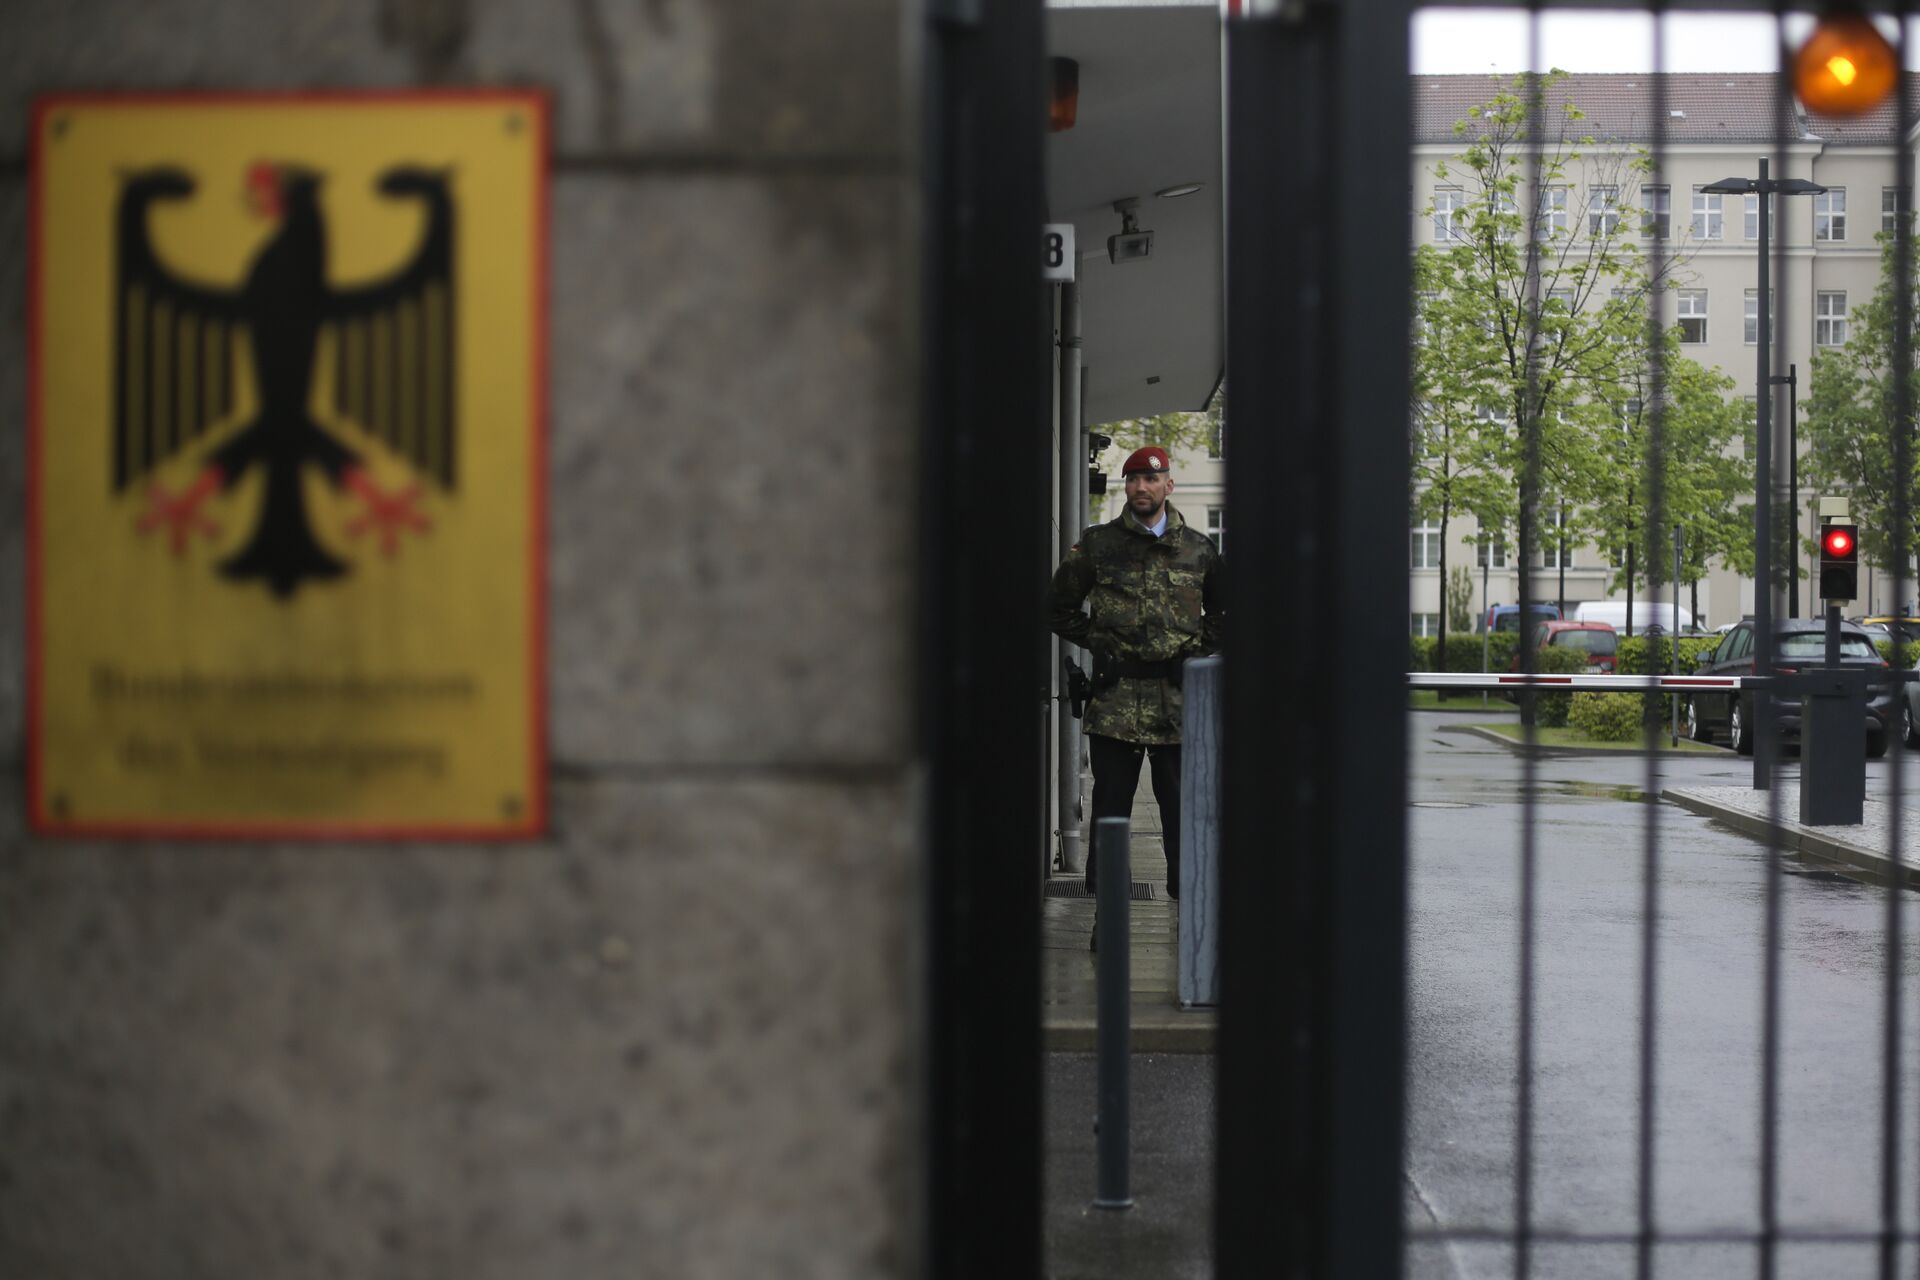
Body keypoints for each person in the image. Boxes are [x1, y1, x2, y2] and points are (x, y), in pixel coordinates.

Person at [1048, 444, 1223, 929]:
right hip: (1116, 704)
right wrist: (1100, 639)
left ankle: (1192, 915)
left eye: (1151, 479)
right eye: (1132, 480)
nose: (1140, 488)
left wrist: (1194, 649)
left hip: (1178, 706)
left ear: (1169, 484)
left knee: (1184, 814)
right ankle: (1110, 915)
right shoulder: (1098, 546)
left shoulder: (1198, 549)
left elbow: (1228, 612)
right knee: (1110, 815)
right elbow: (1056, 607)